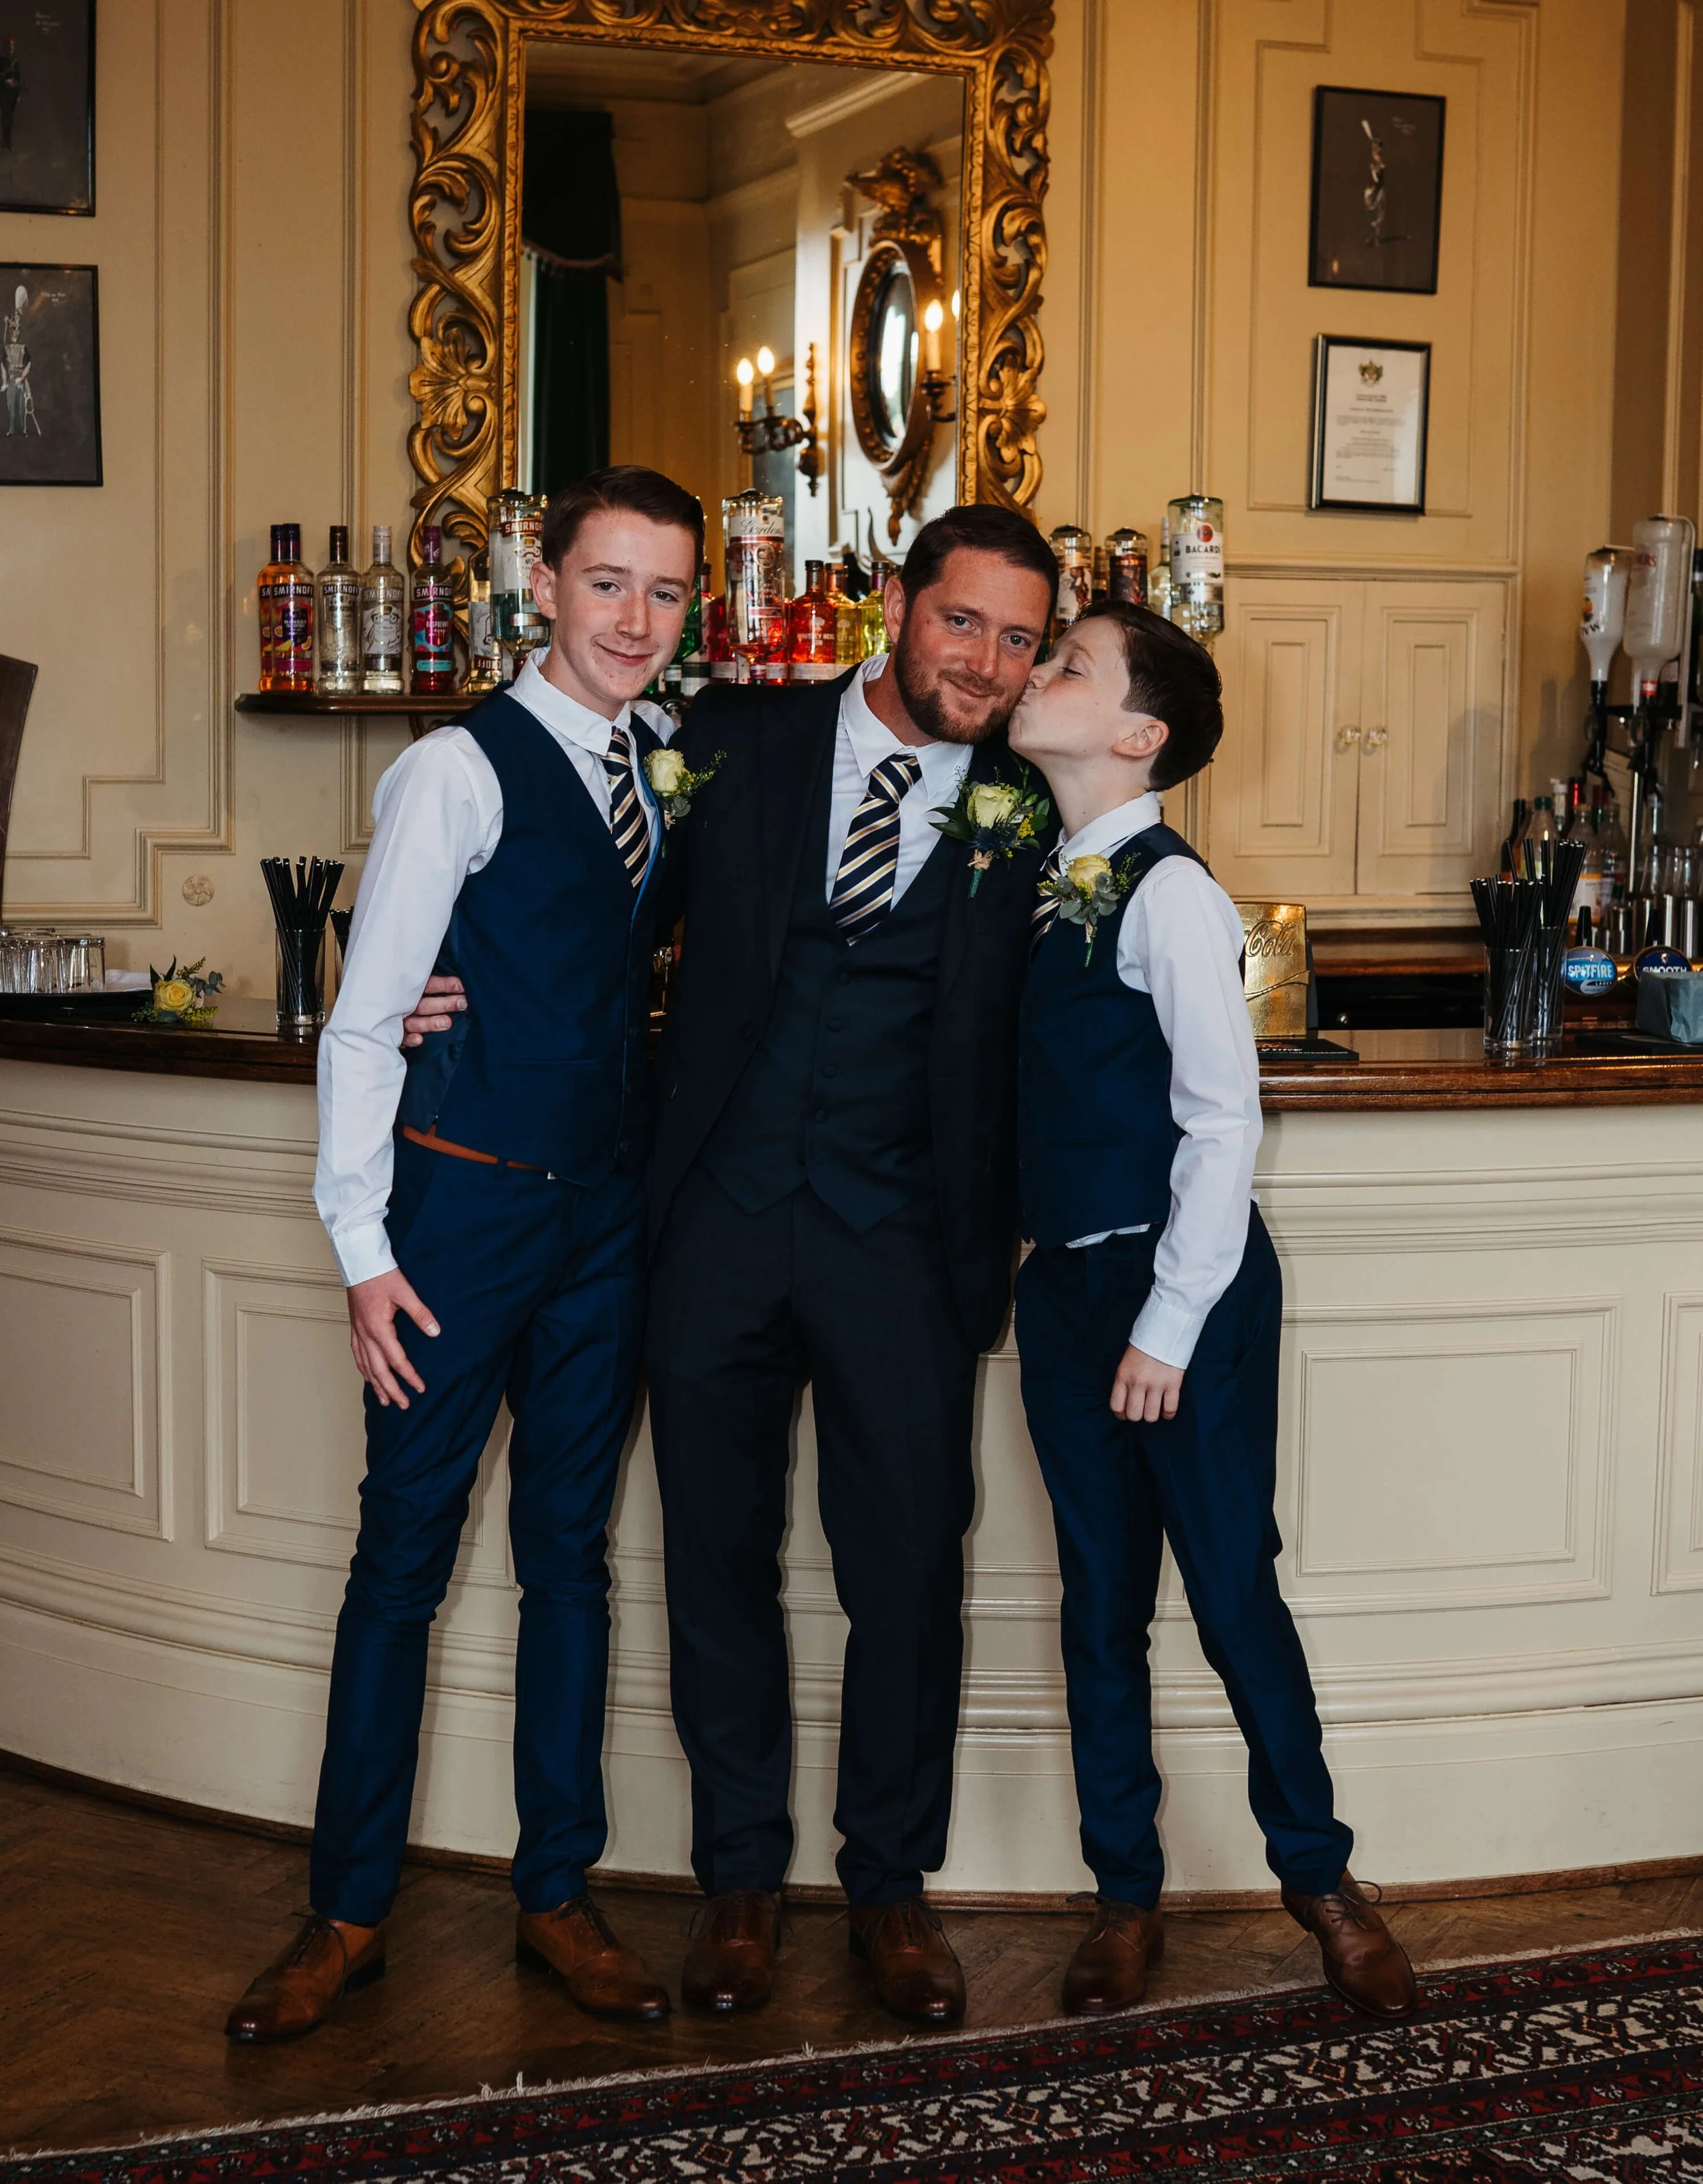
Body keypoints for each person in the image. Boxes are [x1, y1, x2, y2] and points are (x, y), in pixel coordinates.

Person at [405, 504, 1058, 2025]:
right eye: (961, 621)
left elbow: (1087, 987)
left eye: (1018, 639)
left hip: (903, 1244)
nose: (984, 660)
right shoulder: (732, 738)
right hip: (709, 1227)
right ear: (897, 606)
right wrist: (426, 980)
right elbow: (585, 899)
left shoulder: (1029, 805)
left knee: (905, 1570)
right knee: (716, 1560)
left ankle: (889, 1888)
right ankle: (740, 1882)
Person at [225, 466, 700, 2042]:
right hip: (457, 1217)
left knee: (570, 1561)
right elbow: (368, 1020)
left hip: (602, 1227)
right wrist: (363, 1251)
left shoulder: (661, 760)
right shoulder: (453, 769)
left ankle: (555, 1892)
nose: (636, 619)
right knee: (402, 1562)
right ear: (546, 588)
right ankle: (346, 1910)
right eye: (610, 583)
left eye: (666, 592)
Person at [1006, 602, 1419, 2021]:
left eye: (1066, 663)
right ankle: (1124, 1891)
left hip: (1179, 1292)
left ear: (1139, 735)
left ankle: (1320, 1880)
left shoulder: (1168, 892)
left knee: (1232, 1591)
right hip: (1060, 1289)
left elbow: (1217, 1123)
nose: (1035, 671)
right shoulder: (1034, 871)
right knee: (1096, 1607)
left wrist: (1165, 1328)